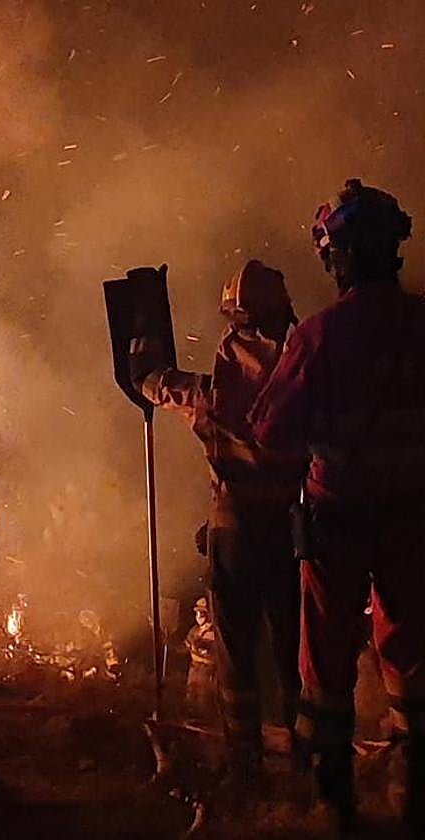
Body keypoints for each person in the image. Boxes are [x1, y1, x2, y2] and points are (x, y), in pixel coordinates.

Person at [250, 179, 424, 831]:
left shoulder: (320, 336)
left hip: (339, 519)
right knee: (412, 649)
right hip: (415, 517)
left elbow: (271, 431)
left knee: (326, 656)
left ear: (341, 256)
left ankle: (333, 794)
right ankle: (414, 785)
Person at [131, 260, 307, 778]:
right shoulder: (303, 383)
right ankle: (303, 752)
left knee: (236, 651)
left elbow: (170, 388)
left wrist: (145, 365)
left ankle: (243, 756)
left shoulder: (218, 392)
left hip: (236, 535)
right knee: (292, 649)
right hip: (291, 536)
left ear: (235, 321)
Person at [185, 596, 217, 722]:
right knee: (191, 697)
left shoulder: (215, 632)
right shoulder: (195, 630)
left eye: (202, 612)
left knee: (204, 700)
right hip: (194, 668)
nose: (199, 615)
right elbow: (186, 647)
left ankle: (206, 725)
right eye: (198, 612)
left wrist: (205, 648)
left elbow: (216, 653)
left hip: (207, 670)